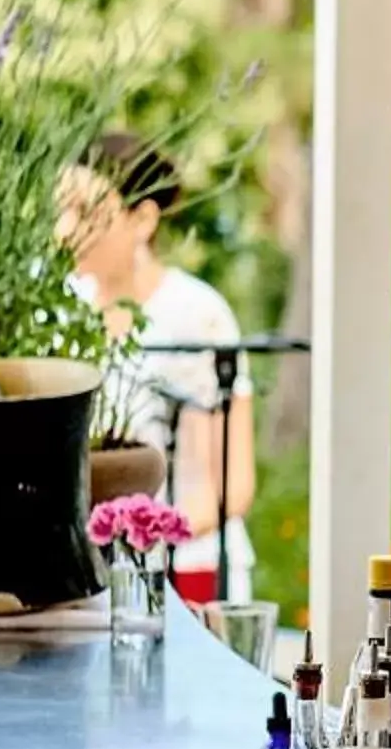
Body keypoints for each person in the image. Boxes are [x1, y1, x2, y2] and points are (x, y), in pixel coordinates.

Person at [57, 131, 256, 601]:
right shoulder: (60, 310)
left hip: (189, 570)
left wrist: (151, 534)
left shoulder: (196, 313)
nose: (66, 230)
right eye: (62, 211)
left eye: (85, 213)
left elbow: (234, 481)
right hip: (89, 571)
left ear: (143, 219)